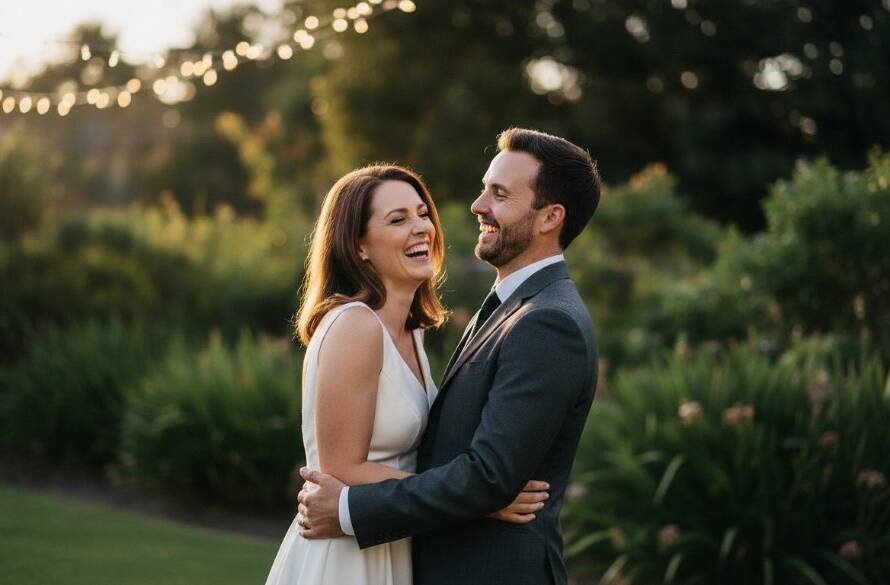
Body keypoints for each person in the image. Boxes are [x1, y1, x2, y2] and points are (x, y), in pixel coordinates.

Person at [297, 128, 602, 585]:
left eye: (499, 194)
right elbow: (475, 477)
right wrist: (485, 497)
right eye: (484, 189)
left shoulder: (546, 322)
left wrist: (347, 509)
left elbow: (490, 477)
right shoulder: (508, 307)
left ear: (549, 218)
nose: (478, 206)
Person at [264, 164, 549, 585]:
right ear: (359, 246)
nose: (421, 228)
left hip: (390, 540)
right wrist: (480, 499)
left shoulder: (411, 332)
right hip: (345, 557)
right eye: (398, 220)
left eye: (422, 213)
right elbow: (342, 467)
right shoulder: (356, 325)